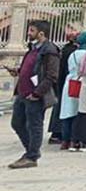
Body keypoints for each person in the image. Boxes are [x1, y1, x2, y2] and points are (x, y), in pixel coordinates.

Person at [7, 21, 60, 168]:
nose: (29, 33)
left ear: (41, 33)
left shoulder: (49, 50)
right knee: (17, 123)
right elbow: (31, 67)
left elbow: (51, 75)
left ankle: (32, 156)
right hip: (23, 93)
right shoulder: (32, 49)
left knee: (34, 125)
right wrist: (18, 71)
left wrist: (37, 93)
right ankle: (30, 151)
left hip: (35, 95)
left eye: (31, 30)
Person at [47, 24, 78, 144]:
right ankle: (59, 133)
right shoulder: (72, 51)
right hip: (68, 82)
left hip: (62, 82)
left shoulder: (65, 49)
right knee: (66, 109)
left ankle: (57, 133)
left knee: (61, 108)